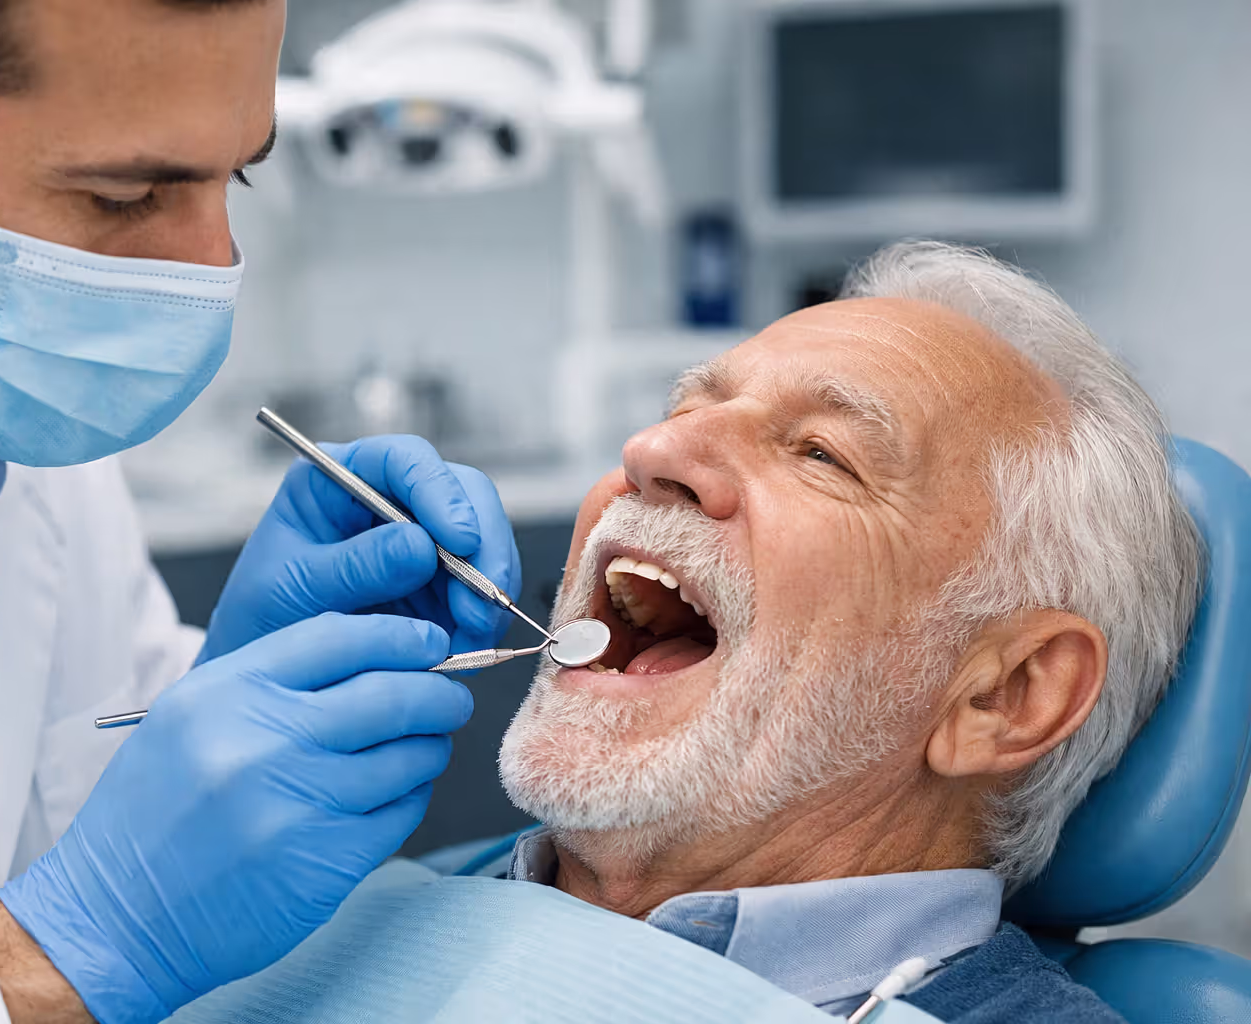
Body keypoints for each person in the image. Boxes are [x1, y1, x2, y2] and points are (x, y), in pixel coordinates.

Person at [0, 2, 522, 1023]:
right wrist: (68, 948)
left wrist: (211, 690)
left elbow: (78, 808)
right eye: (125, 194)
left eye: (240, 174)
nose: (208, 270)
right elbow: (96, 913)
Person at [476, 242, 1199, 1021]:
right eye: (682, 411)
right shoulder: (349, 896)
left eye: (823, 454)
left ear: (1005, 695)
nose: (652, 450)